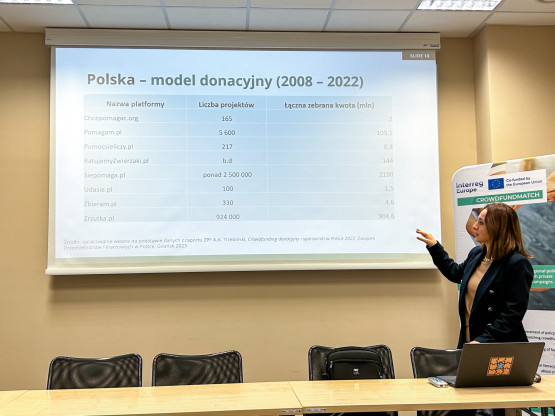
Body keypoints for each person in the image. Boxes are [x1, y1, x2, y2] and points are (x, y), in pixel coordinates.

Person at [416, 202, 534, 349]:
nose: (474, 226)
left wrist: (483, 340)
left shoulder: (516, 263)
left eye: (481, 222)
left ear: (497, 228)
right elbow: (455, 273)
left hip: (498, 344)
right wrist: (434, 246)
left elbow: (512, 313)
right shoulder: (476, 253)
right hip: (471, 339)